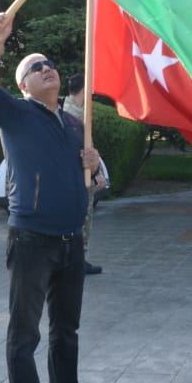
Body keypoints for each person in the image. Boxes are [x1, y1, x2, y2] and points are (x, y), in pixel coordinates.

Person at [0, 13, 104, 383]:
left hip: (71, 242)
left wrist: (91, 163)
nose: (46, 67)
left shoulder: (72, 124)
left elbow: (90, 177)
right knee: (25, 332)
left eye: (47, 63)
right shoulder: (14, 114)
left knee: (67, 327)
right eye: (35, 67)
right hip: (32, 239)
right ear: (23, 85)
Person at [62, 74, 107, 274]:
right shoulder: (74, 115)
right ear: (84, 91)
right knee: (84, 216)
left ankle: (78, 258)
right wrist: (96, 172)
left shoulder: (73, 110)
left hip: (79, 174)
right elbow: (83, 149)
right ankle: (78, 259)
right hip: (80, 175)